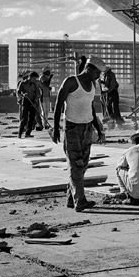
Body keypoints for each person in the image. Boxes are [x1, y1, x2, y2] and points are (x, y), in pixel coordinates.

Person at [52, 56, 106, 212]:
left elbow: (91, 108)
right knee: (76, 164)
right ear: (89, 68)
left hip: (87, 127)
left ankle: (71, 198)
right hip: (72, 127)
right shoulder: (71, 81)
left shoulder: (93, 85)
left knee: (83, 164)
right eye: (97, 73)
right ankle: (80, 201)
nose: (98, 76)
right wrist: (56, 128)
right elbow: (58, 104)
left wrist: (98, 128)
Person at [17, 71, 40, 138]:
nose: (35, 80)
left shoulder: (34, 84)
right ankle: (20, 133)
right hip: (26, 101)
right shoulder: (23, 83)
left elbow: (38, 93)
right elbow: (18, 92)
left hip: (32, 102)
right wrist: (23, 95)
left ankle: (28, 133)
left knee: (32, 119)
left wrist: (36, 100)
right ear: (30, 77)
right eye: (34, 78)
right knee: (24, 119)